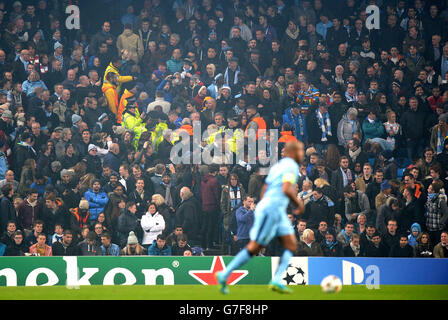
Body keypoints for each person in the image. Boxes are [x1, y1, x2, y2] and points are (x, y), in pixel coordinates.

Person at [217, 141, 305, 294]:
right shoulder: (290, 166)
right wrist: (298, 203)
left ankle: (226, 274)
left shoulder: (278, 167)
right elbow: (286, 188)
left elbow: (265, 188)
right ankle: (226, 274)